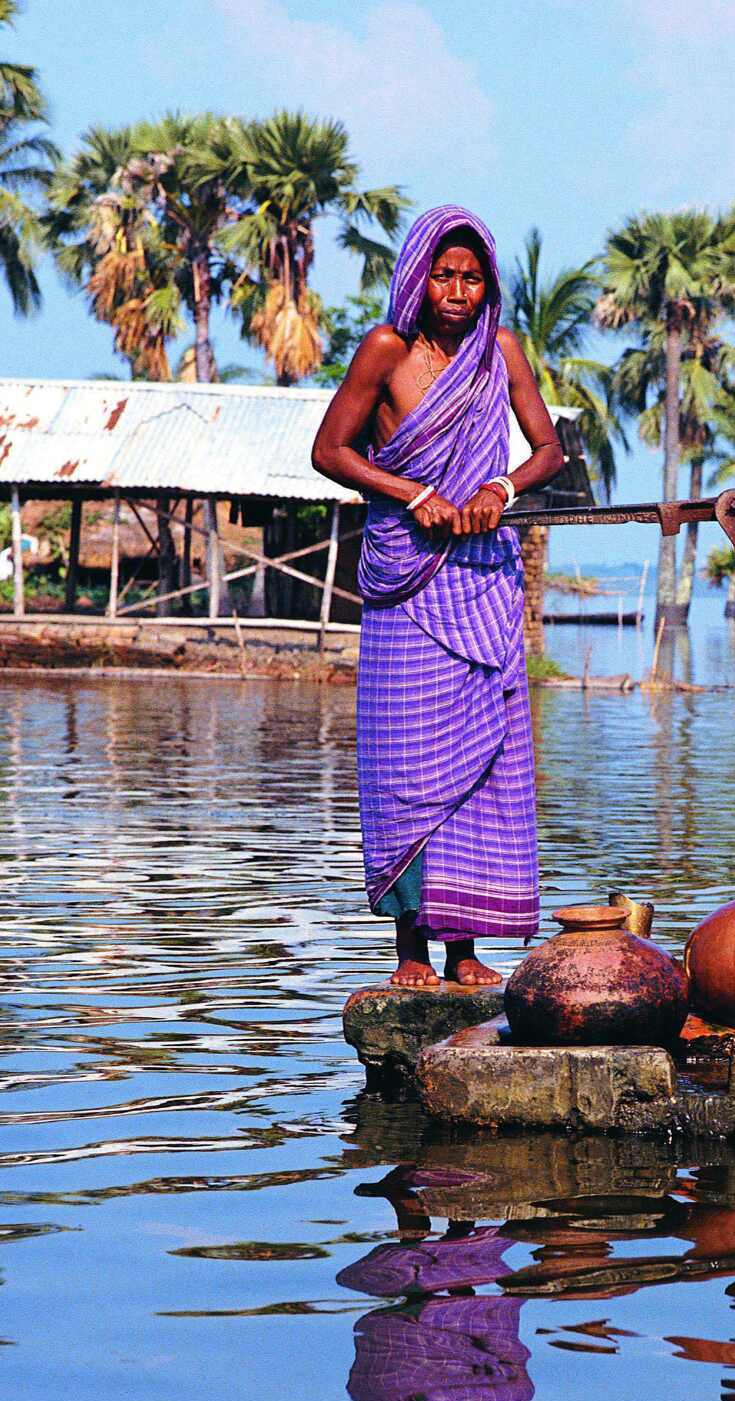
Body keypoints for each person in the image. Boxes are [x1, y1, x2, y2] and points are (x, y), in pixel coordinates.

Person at [313, 205, 563, 987]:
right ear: (418, 280)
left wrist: (499, 483)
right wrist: (412, 491)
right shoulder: (385, 350)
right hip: (405, 581)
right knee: (406, 765)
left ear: (486, 284)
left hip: (482, 577)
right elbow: (330, 451)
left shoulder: (501, 352)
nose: (455, 290)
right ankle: (411, 951)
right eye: (442, 274)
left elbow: (549, 450)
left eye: (470, 276)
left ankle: (464, 951)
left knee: (481, 764)